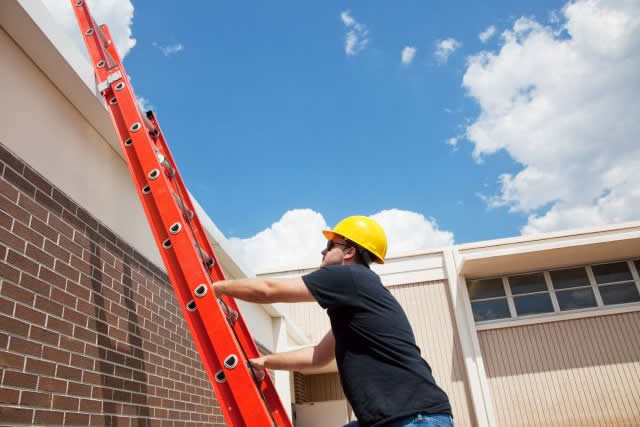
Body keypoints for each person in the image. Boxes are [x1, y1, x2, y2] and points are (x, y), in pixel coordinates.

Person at [213, 216, 453, 427]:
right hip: (404, 417)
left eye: (330, 245)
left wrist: (216, 287)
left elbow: (269, 289)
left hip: (412, 419)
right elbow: (319, 355)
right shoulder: (357, 300)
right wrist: (264, 361)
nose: (323, 252)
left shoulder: (349, 276)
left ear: (349, 252)